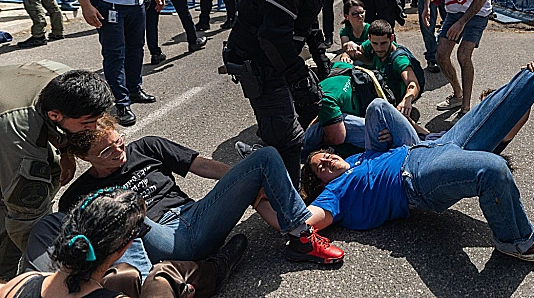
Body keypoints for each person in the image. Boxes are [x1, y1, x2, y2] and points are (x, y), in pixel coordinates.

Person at [300, 34, 534, 262]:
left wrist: (382, 145)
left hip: (432, 146)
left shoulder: (358, 157)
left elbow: (378, 117)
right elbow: (302, 220)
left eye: (323, 156)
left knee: (506, 97)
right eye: (320, 168)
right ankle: (516, 240)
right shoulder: (335, 194)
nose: (325, 160)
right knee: (494, 168)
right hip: (417, 178)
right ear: (321, 184)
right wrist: (264, 193)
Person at [59, 119, 344, 265]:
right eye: (107, 151)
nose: (118, 152)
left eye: (119, 142)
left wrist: (247, 185)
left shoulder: (146, 147)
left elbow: (203, 166)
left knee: (266, 156)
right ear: (85, 158)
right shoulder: (79, 194)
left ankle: (302, 238)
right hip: (163, 239)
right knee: (121, 210)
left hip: (198, 217)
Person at [223, 0, 354, 186]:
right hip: (259, 63)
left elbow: (308, 21)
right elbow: (273, 39)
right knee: (289, 141)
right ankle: (288, 212)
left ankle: (266, 166)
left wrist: (321, 62)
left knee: (306, 116)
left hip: (275, 59)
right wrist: (300, 79)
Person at [5, 188, 248, 298]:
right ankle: (216, 269)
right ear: (124, 247)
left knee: (126, 274)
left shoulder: (21, 282)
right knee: (164, 273)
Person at [0, 64, 112, 280]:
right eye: (87, 123)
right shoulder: (18, 133)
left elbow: (60, 128)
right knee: (13, 213)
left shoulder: (67, 81)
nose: (94, 127)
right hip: (7, 134)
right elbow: (25, 216)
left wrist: (66, 152)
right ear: (54, 115)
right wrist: (59, 269)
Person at [343, 19, 421, 120]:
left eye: (384, 43)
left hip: (396, 101)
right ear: (369, 38)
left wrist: (407, 99)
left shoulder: (399, 60)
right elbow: (355, 51)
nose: (379, 48)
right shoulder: (370, 44)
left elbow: (413, 83)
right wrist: (346, 53)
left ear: (392, 38)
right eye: (375, 43)